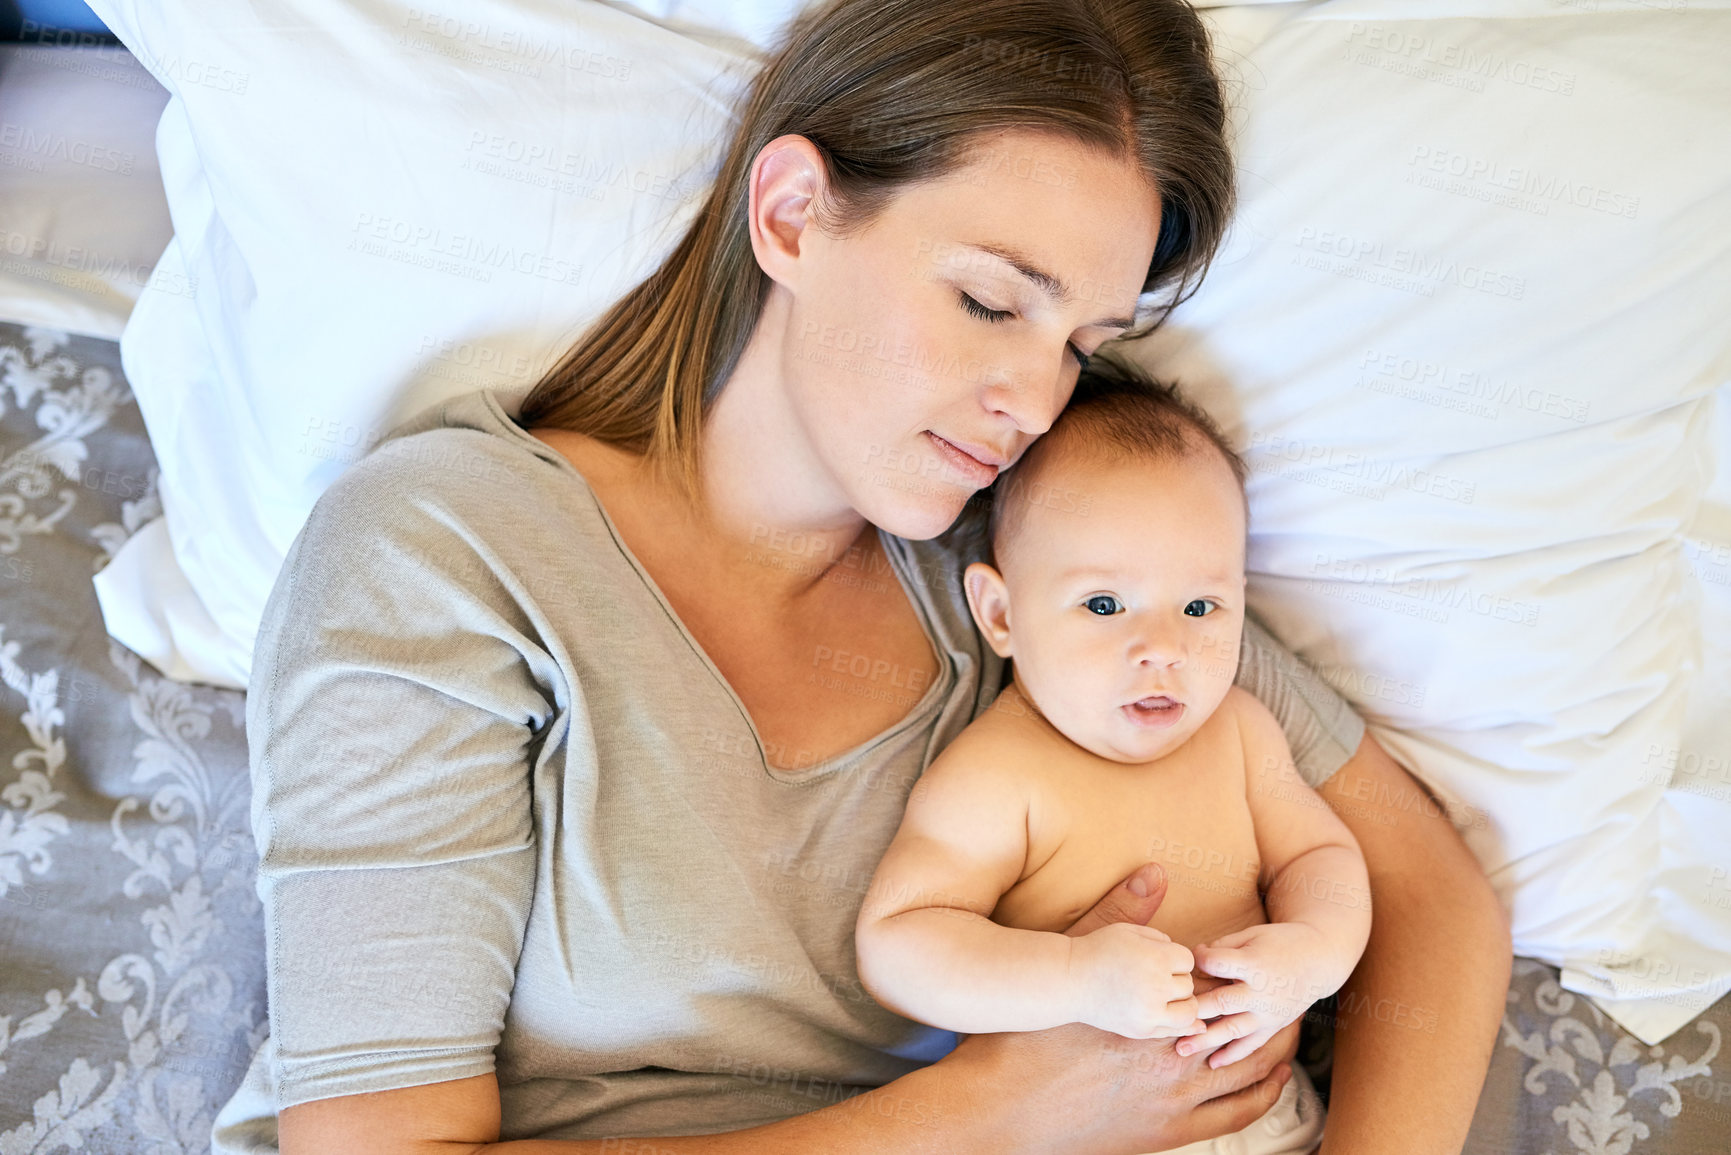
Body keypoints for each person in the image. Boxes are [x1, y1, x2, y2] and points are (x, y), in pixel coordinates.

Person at [213, 0, 1511, 1151]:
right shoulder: (450, 553)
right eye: (991, 302)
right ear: (790, 213)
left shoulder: (1041, 566)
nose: (1029, 398)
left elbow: (1431, 903)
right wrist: (991, 1113)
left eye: (1078, 340)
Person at [853, 364, 1374, 1155]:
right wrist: (1073, 976)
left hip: (1263, 1120)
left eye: (1200, 606)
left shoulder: (1237, 731)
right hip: (1067, 1131)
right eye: (1103, 604)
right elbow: (899, 945)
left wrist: (1315, 953)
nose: (1162, 648)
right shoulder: (997, 775)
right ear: (1000, 614)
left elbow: (1320, 852)